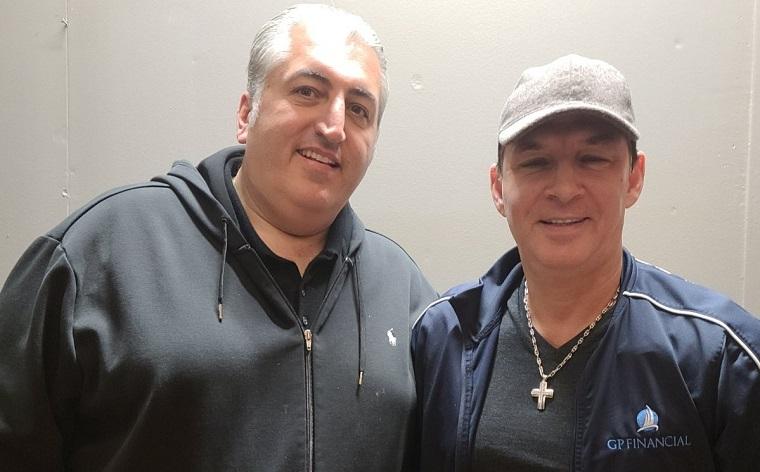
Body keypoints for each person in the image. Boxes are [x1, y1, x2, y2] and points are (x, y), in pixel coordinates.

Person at [0, 4, 436, 471]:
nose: (334, 127)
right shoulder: (101, 253)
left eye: (359, 109)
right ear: (246, 114)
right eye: (308, 91)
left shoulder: (403, 291)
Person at [412, 54, 760, 471]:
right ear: (499, 187)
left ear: (634, 177)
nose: (564, 189)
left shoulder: (723, 358)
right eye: (536, 162)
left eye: (592, 159)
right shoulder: (442, 336)